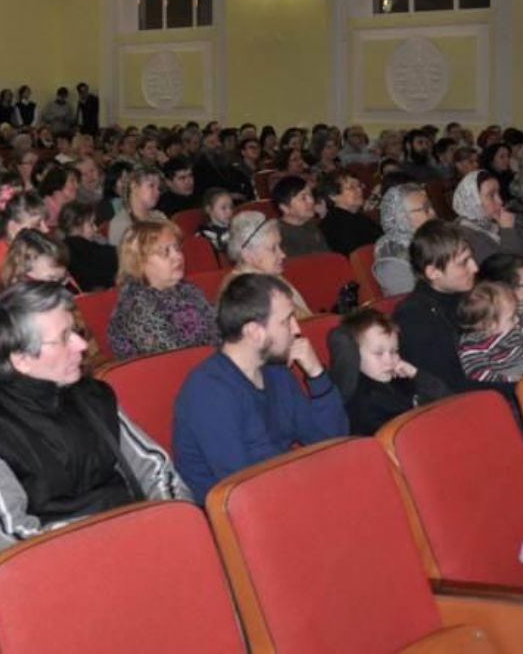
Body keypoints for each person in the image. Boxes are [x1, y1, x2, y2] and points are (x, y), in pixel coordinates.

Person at [0, 281, 188, 554]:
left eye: (76, 331)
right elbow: (15, 542)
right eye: (65, 337)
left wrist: (175, 524)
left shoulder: (91, 394)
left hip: (139, 537)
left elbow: (155, 469)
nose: (81, 345)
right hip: (63, 564)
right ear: (22, 359)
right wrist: (114, 541)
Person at [172, 273, 344, 504]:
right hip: (238, 512)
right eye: (286, 321)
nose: (296, 329)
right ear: (254, 332)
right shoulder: (209, 392)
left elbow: (331, 441)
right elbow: (245, 485)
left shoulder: (275, 371)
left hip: (281, 490)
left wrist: (316, 374)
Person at [105, 220, 217, 358]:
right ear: (139, 261)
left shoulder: (185, 288)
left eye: (177, 248)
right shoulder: (136, 307)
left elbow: (217, 327)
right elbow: (177, 359)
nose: (178, 256)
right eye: (165, 252)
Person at [332, 308, 450, 436]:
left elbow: (448, 402)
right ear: (354, 355)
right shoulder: (358, 398)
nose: (389, 360)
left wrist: (416, 374)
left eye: (394, 351)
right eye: (378, 353)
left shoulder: (401, 379)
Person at [392, 220, 478, 393]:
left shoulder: (467, 294)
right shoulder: (414, 317)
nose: (475, 268)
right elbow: (452, 386)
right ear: (433, 272)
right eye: (463, 262)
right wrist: (517, 388)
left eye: (471, 258)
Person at [221, 211, 313, 315]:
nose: (283, 254)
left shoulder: (266, 275)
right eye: (273, 249)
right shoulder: (242, 292)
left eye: (279, 246)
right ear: (248, 254)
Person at [455, 280, 523, 383]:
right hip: (508, 381)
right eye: (511, 317)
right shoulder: (472, 345)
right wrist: (510, 380)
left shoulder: (513, 331)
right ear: (489, 324)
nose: (517, 319)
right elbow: (478, 374)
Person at [450, 170, 523, 267]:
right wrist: (508, 230)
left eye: (498, 193)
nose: (500, 201)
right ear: (474, 201)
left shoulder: (490, 223)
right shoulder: (466, 235)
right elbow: (507, 269)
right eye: (491, 195)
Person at [372, 184, 434, 297]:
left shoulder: (431, 236)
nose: (433, 212)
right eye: (425, 209)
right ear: (401, 216)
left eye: (430, 206)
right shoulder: (392, 256)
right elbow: (412, 301)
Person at [314, 172, 381, 255]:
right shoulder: (334, 224)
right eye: (352, 187)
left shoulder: (359, 217)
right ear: (333, 196)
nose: (359, 190)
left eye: (359, 186)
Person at [60, 200, 117, 293]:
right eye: (91, 224)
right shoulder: (85, 249)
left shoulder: (62, 249)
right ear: (78, 225)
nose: (95, 228)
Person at [107, 166, 167, 247]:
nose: (157, 192)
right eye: (151, 186)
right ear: (134, 186)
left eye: (158, 188)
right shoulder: (120, 223)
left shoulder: (160, 217)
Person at [271, 175, 328, 259]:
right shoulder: (278, 235)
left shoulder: (314, 224)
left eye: (311, 195)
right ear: (285, 207)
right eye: (303, 198)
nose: (311, 201)